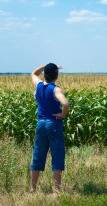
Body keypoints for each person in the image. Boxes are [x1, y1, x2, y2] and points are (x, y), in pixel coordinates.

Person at [30, 63, 69, 192]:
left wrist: (45, 66)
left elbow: (34, 74)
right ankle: (57, 190)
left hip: (40, 124)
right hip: (53, 123)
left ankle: (32, 188)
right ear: (56, 75)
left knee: (38, 155)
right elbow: (65, 103)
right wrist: (62, 114)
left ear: (45, 74)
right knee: (57, 155)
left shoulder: (39, 86)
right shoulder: (55, 89)